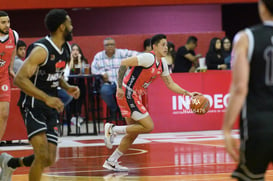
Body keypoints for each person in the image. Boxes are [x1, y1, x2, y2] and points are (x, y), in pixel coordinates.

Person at [0, 9, 80, 181]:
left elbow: (55, 75)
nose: (72, 27)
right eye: (69, 23)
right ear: (61, 27)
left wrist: (67, 86)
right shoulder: (41, 50)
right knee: (41, 154)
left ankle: (11, 163)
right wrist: (46, 97)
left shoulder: (65, 48)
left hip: (50, 106)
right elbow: (19, 80)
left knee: (49, 158)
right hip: (33, 105)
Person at [102, 34, 200, 171]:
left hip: (133, 95)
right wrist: (118, 86)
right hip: (128, 93)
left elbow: (170, 84)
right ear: (154, 46)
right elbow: (124, 62)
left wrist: (188, 93)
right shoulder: (148, 57)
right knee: (148, 126)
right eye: (163, 45)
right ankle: (112, 129)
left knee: (132, 133)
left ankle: (111, 161)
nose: (166, 48)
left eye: (167, 45)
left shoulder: (163, 63)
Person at [223, 0, 273, 180]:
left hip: (258, 124)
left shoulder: (246, 37)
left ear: (262, 6)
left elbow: (240, 88)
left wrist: (227, 129)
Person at [91, 37, 138, 121]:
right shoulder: (98, 56)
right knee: (105, 91)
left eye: (112, 44)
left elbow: (138, 54)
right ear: (104, 46)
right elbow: (93, 69)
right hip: (108, 83)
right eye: (107, 45)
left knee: (128, 92)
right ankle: (114, 109)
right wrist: (101, 74)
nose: (110, 46)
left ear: (115, 45)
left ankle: (125, 113)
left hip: (123, 83)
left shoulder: (122, 53)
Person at [0, 11, 17, 142]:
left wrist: (11, 67)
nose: (7, 25)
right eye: (3, 22)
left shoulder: (13, 35)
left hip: (3, 77)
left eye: (8, 22)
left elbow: (13, 50)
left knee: (4, 114)